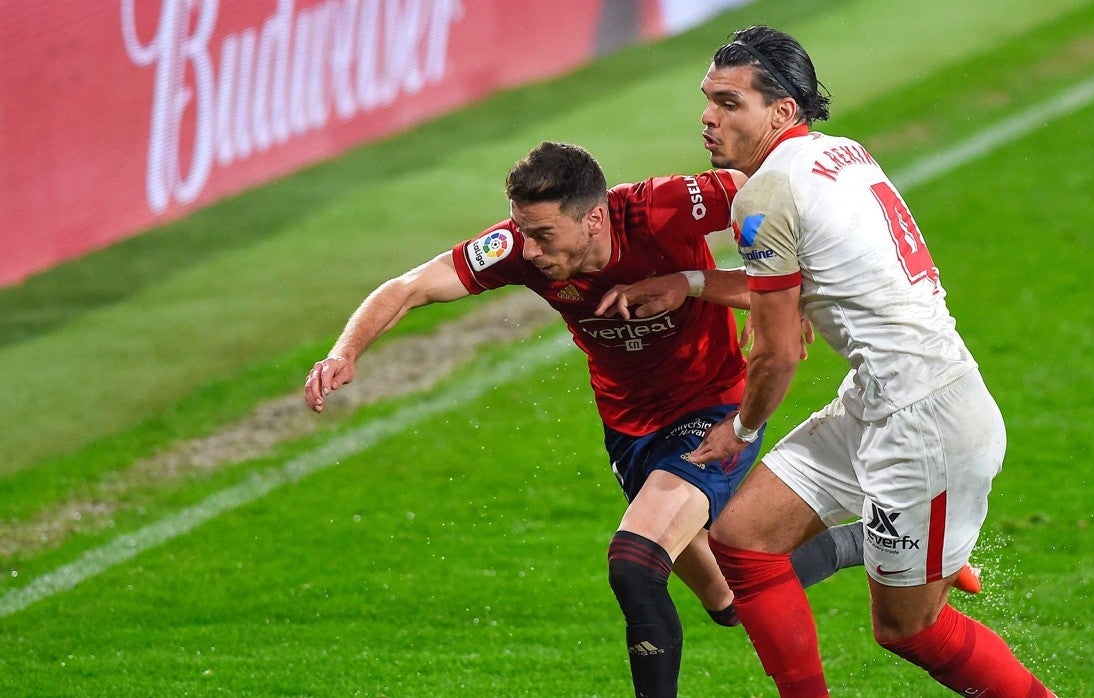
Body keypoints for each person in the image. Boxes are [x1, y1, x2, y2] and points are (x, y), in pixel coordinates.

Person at [303, 141, 873, 698]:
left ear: (595, 219)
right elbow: (410, 287)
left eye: (543, 235)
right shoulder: (517, 249)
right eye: (522, 231)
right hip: (631, 430)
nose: (527, 251)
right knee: (726, 599)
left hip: (714, 409)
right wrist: (344, 351)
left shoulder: (663, 208)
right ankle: (872, 546)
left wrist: (778, 296)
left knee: (633, 563)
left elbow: (780, 193)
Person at [598, 26, 1050, 697]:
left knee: (909, 630)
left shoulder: (764, 196)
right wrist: (690, 284)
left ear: (779, 112)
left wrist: (742, 432)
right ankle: (885, 565)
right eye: (707, 99)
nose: (708, 116)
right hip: (884, 398)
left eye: (729, 103)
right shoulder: (841, 154)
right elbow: (816, 285)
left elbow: (778, 352)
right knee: (744, 536)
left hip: (923, 423)